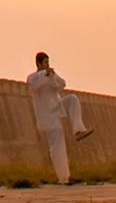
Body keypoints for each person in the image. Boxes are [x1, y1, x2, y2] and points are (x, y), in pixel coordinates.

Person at [27, 52, 94, 184]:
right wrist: (44, 75)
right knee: (57, 146)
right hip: (47, 117)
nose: (47, 65)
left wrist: (52, 77)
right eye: (45, 63)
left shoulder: (50, 76)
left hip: (57, 109)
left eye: (48, 62)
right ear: (39, 64)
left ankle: (78, 130)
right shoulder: (33, 77)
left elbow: (62, 84)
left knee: (72, 99)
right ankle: (64, 178)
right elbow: (34, 84)